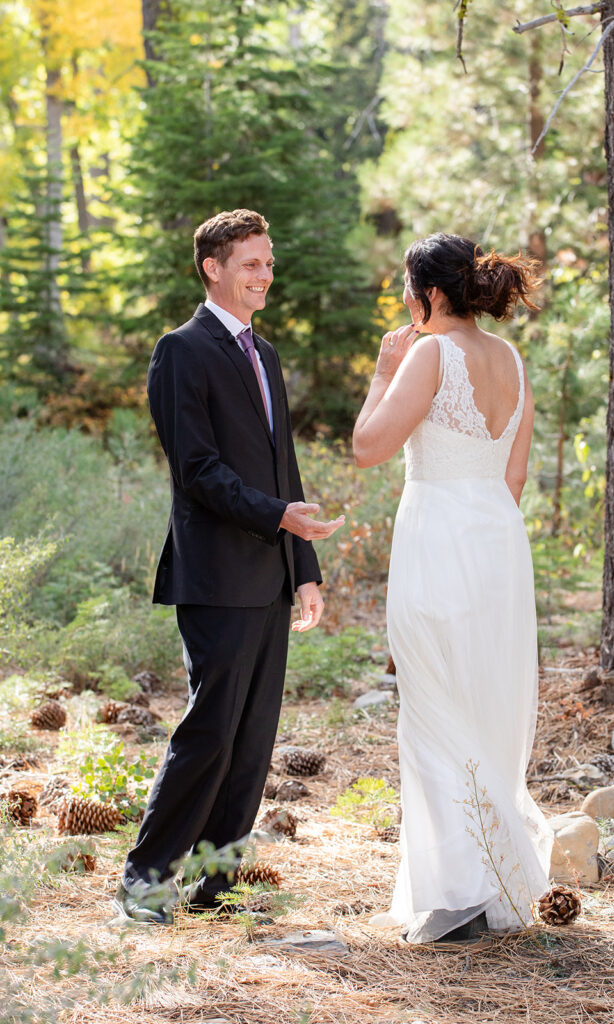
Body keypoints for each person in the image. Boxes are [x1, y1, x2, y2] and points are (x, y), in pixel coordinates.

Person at [115, 209, 344, 924]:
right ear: (212, 267)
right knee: (209, 733)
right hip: (213, 574)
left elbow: (284, 467)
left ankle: (218, 886)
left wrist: (301, 564)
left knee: (251, 740)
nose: (264, 273)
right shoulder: (179, 350)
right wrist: (275, 516)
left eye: (268, 262)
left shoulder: (265, 354)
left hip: (270, 575)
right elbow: (196, 470)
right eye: (250, 262)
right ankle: (145, 882)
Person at [353, 233, 553, 944]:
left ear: (428, 294)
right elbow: (515, 478)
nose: (403, 300)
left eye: (406, 287)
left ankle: (456, 898)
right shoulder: (510, 359)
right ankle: (492, 878)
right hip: (497, 541)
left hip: (438, 535)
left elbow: (368, 446)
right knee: (480, 701)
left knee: (434, 703)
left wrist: (384, 369)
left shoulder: (428, 353)